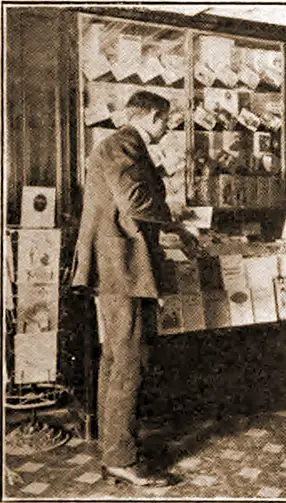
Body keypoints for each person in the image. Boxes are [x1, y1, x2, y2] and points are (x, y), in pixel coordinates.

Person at [72, 91, 197, 485]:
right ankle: (121, 458)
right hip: (120, 268)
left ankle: (114, 449)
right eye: (168, 120)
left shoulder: (118, 145)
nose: (169, 127)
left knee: (116, 358)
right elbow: (134, 201)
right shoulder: (124, 144)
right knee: (129, 361)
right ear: (153, 118)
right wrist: (177, 224)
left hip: (116, 267)